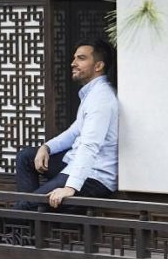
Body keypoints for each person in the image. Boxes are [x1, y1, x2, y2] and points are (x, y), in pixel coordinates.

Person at [15, 38, 118, 210]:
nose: (73, 63)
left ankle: (22, 222)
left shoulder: (101, 99)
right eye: (74, 58)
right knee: (26, 157)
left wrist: (70, 187)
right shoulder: (91, 94)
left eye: (81, 58)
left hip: (94, 175)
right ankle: (29, 222)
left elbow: (89, 145)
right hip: (74, 163)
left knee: (32, 205)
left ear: (98, 66)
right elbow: (73, 132)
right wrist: (46, 147)